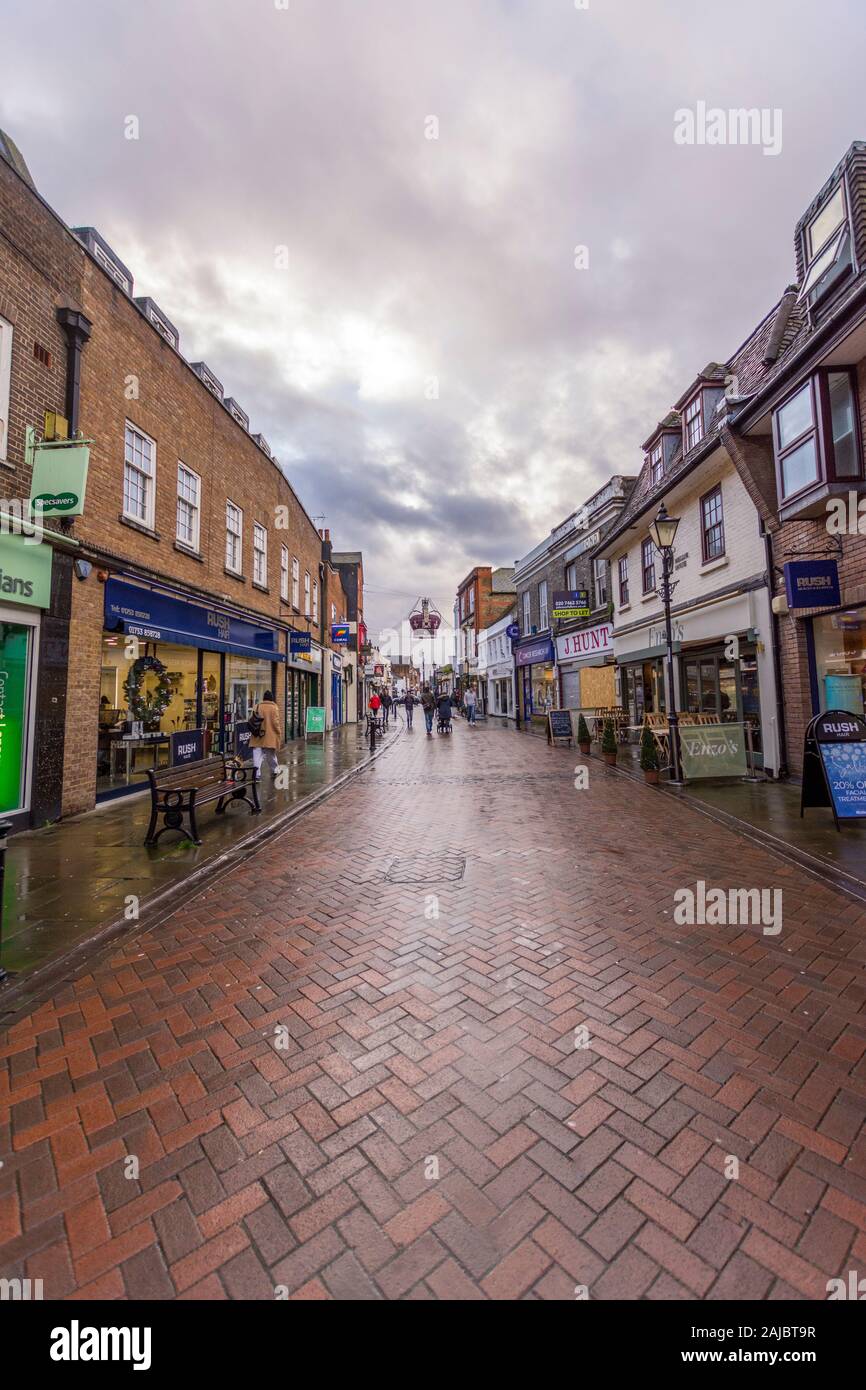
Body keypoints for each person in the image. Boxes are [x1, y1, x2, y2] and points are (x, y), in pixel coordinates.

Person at [249, 690, 282, 780]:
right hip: (269, 735)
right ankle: (274, 770)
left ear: (263, 698)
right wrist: (278, 733)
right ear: (271, 698)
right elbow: (276, 723)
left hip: (257, 734)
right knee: (271, 754)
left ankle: (257, 774)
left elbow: (252, 719)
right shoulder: (274, 708)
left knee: (257, 754)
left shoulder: (257, 706)